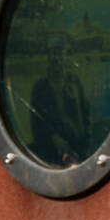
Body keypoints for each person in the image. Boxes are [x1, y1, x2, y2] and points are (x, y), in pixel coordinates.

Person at [28, 37, 91, 166]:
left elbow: (85, 113)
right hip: (51, 152)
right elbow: (36, 124)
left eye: (61, 53)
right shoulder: (40, 87)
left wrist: (86, 137)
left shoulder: (74, 82)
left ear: (65, 56)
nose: (57, 58)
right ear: (49, 57)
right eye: (54, 53)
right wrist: (52, 138)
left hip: (77, 145)